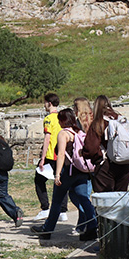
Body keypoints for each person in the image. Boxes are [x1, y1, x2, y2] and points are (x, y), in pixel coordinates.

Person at [31, 108, 97, 240]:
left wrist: (57, 174)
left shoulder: (63, 134)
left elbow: (61, 154)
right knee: (84, 199)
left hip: (68, 172)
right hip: (81, 171)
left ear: (62, 120)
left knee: (56, 201)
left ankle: (47, 230)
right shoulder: (79, 131)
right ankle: (92, 227)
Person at [85, 95, 129, 193]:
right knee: (120, 198)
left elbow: (91, 148)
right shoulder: (121, 120)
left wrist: (86, 154)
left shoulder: (98, 123)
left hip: (105, 166)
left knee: (106, 201)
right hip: (125, 163)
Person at [34, 93, 68, 221]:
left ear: (49, 103)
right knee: (60, 181)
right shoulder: (62, 117)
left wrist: (42, 158)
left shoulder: (49, 118)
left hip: (50, 155)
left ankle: (45, 208)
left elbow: (47, 138)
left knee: (39, 180)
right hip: (62, 154)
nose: (44, 105)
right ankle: (63, 211)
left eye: (45, 102)